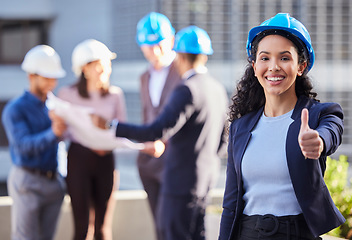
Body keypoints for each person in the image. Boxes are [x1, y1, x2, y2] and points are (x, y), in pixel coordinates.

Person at [218, 13, 345, 240]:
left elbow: (331, 132)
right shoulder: (240, 127)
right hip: (247, 234)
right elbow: (230, 203)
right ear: (255, 66)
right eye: (265, 58)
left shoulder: (319, 114)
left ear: (301, 66)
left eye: (285, 58)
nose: (274, 67)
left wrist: (319, 141)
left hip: (298, 234)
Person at [108, 25, 228, 240]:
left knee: (171, 234)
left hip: (180, 183)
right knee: (197, 234)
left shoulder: (186, 89)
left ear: (180, 57)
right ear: (205, 57)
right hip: (206, 178)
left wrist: (114, 126)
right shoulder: (216, 88)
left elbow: (156, 130)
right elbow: (224, 139)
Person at [57, 39, 126, 240]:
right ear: (84, 69)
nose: (104, 70)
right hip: (79, 161)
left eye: (107, 66)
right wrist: (57, 125)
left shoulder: (115, 95)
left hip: (106, 162)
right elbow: (62, 134)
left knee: (103, 229)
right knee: (82, 228)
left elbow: (123, 131)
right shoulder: (66, 94)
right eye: (99, 66)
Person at [2, 45, 67, 240]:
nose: (52, 83)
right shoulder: (15, 109)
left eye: (54, 78)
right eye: (47, 77)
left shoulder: (55, 106)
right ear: (31, 76)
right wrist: (53, 133)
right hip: (28, 182)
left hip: (53, 182)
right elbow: (23, 145)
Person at [135, 12, 183, 237]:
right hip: (149, 163)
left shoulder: (183, 72)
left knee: (175, 226)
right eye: (148, 46)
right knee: (159, 228)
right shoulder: (143, 77)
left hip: (176, 161)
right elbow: (147, 116)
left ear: (171, 40)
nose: (154, 51)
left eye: (159, 44)